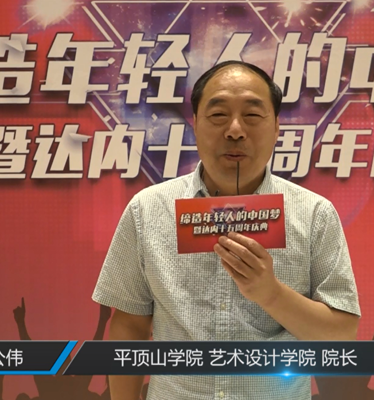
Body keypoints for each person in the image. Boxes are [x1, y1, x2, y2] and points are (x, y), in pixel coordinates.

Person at [92, 61, 361, 400]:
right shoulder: (147, 209)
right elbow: (129, 324)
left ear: (276, 127)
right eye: (218, 115)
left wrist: (271, 294)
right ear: (195, 123)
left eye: (252, 115)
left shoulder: (314, 214)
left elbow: (341, 335)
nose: (235, 130)